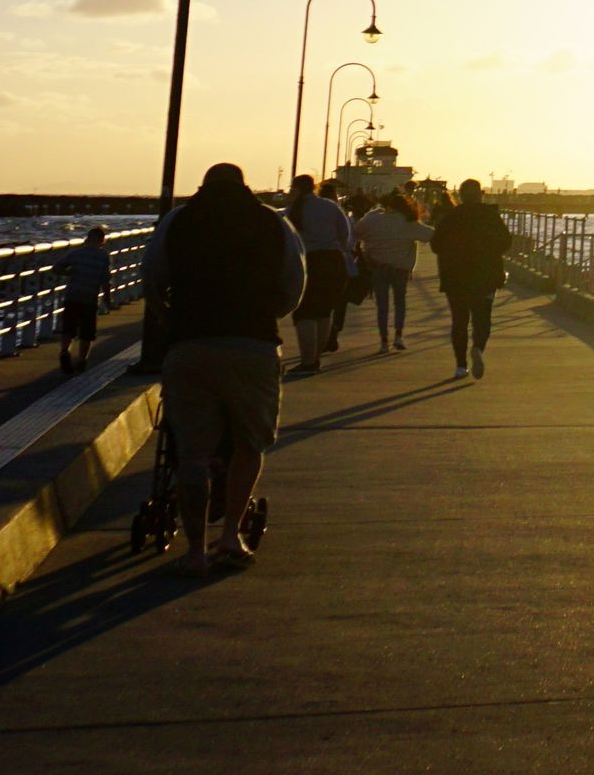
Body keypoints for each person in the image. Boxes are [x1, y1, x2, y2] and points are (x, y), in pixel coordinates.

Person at [143, 161, 301, 574]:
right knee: (249, 445)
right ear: (244, 186)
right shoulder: (272, 222)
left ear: (203, 185)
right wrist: (267, 316)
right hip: (253, 344)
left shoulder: (178, 221)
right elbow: (294, 284)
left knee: (191, 454)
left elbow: (152, 277)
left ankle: (195, 551)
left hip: (190, 343)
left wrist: (168, 319)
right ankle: (231, 536)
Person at [430, 179, 509, 380]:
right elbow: (506, 242)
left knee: (459, 321)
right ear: (480, 194)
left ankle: (460, 366)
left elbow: (435, 245)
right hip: (486, 276)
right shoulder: (491, 215)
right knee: (482, 318)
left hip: (455, 277)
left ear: (461, 195)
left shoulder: (451, 217)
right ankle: (478, 348)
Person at [288, 173, 355, 373]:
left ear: (295, 189)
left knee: (305, 313)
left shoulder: (292, 210)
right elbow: (345, 235)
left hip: (308, 261)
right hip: (333, 261)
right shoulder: (330, 206)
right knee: (324, 311)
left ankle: (308, 361)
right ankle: (315, 358)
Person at [355, 187, 428, 353]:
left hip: (378, 267)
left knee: (382, 305)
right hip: (400, 269)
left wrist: (372, 214)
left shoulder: (375, 219)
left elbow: (356, 231)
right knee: (400, 302)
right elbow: (432, 235)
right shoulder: (409, 223)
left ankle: (383, 341)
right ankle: (398, 336)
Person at [57, 224, 109, 374]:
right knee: (87, 332)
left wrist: (70, 273)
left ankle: (64, 352)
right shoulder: (103, 256)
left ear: (87, 239)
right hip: (90, 298)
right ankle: (81, 360)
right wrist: (107, 298)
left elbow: (56, 268)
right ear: (102, 241)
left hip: (72, 296)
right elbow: (105, 280)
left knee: (68, 329)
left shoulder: (76, 253)